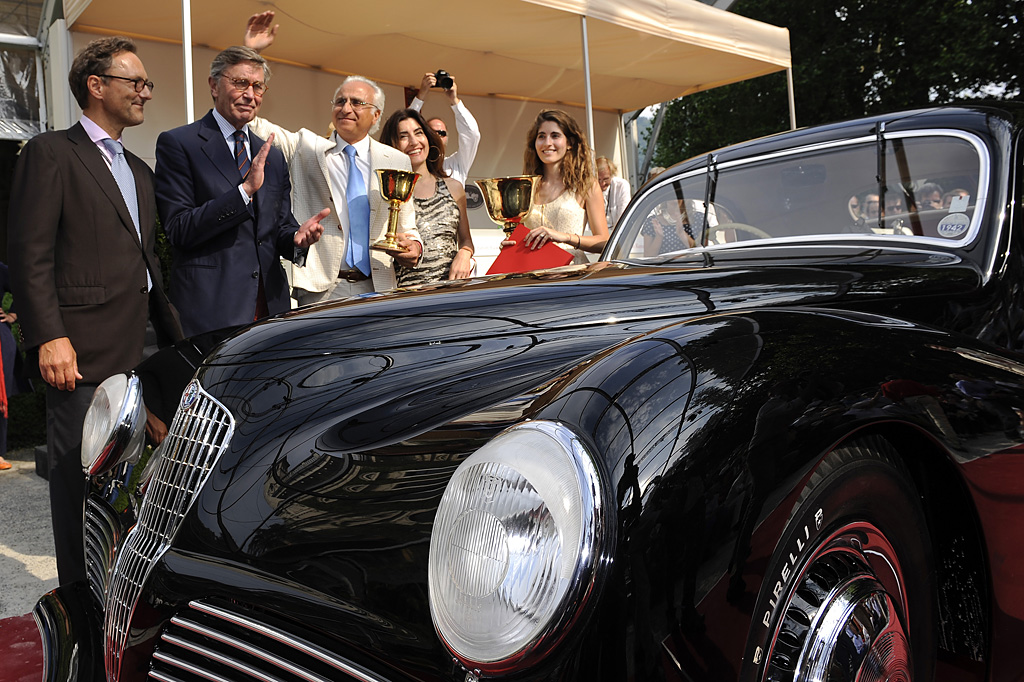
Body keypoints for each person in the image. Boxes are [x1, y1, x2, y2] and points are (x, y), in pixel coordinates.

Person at [7, 36, 182, 584]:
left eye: (147, 84)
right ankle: (79, 605)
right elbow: (29, 253)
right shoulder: (50, 151)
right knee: (78, 484)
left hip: (140, 351)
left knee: (132, 488)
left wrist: (171, 344)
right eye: (137, 82)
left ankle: (119, 594)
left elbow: (146, 260)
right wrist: (48, 336)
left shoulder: (139, 168)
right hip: (77, 355)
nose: (145, 93)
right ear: (96, 84)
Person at [243, 11, 421, 303]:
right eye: (340, 101)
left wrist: (414, 246)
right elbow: (252, 123)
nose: (345, 108)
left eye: (356, 102)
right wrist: (252, 55)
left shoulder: (397, 161)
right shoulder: (305, 147)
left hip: (378, 285)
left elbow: (407, 226)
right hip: (321, 289)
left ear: (376, 115)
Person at [154, 46, 327, 337]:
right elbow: (179, 229)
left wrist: (298, 240)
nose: (250, 94)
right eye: (240, 83)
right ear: (213, 85)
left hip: (271, 309)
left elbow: (278, 227)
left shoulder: (270, 154)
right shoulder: (179, 144)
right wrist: (243, 192)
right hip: (212, 311)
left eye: (258, 86)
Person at [380, 109, 475, 285]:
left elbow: (466, 240)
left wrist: (464, 254)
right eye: (403, 136)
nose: (414, 142)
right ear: (391, 145)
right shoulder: (386, 192)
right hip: (405, 298)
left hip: (451, 294)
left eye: (418, 133)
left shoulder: (454, 187)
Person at [511, 109, 609, 263]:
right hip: (533, 277)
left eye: (555, 135)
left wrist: (565, 237)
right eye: (541, 136)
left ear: (569, 143)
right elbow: (522, 237)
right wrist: (511, 245)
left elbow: (604, 242)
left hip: (571, 278)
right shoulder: (525, 188)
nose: (547, 143)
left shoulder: (586, 185)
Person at [410, 71, 481, 186]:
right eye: (432, 132)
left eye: (441, 133)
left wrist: (455, 100)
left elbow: (472, 134)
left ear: (447, 137)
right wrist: (421, 95)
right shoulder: (414, 162)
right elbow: (406, 125)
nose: (437, 135)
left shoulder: (457, 164)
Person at [596, 156, 631, 229]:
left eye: (606, 179)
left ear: (612, 175)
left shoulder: (621, 186)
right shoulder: (590, 188)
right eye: (599, 180)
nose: (602, 183)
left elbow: (623, 218)